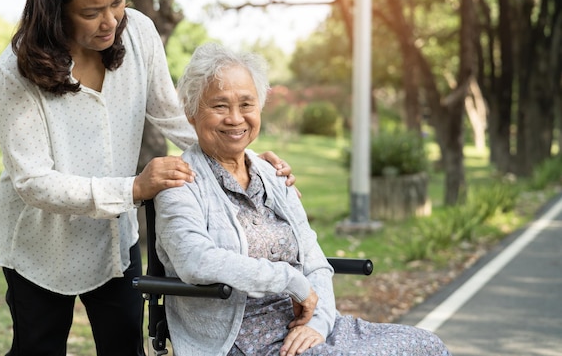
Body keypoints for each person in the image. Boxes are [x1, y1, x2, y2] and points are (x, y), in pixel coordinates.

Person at [0, 0, 293, 355]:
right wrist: (134, 189)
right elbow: (32, 182)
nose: (110, 22)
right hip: (42, 247)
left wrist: (252, 161)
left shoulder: (138, 34)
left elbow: (174, 118)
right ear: (54, 9)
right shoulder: (16, 70)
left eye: (116, 2)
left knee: (125, 348)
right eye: (90, 12)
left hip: (115, 241)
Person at [154, 42, 453, 356]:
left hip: (307, 328)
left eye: (246, 104)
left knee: (427, 345)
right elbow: (195, 261)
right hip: (242, 340)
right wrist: (290, 280)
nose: (235, 118)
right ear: (190, 112)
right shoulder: (179, 180)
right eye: (219, 106)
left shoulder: (272, 173)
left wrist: (318, 324)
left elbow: (315, 260)